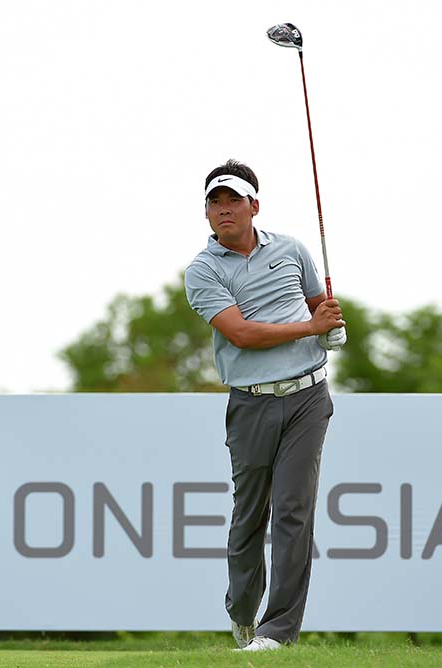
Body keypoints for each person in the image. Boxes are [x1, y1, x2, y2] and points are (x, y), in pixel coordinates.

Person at [184, 159, 347, 652]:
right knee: (250, 515)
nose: (224, 209)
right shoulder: (203, 270)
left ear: (255, 205)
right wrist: (311, 328)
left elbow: (319, 304)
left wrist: (332, 322)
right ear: (206, 214)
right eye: (215, 202)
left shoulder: (293, 249)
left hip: (307, 397)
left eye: (234, 200)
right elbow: (243, 334)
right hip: (251, 403)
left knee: (294, 511)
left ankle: (278, 632)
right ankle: (242, 610)